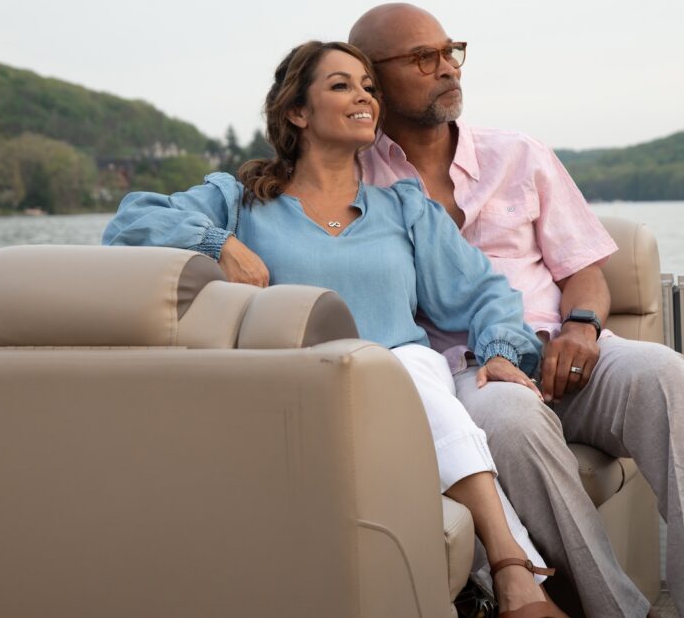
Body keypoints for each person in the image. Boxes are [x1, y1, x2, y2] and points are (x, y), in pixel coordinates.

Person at [103, 41, 571, 618]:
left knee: (401, 373)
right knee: (395, 380)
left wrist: (500, 351)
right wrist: (217, 242)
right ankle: (520, 581)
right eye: (342, 86)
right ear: (297, 112)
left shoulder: (404, 208)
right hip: (295, 388)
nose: (364, 98)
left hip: (401, 378)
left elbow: (485, 293)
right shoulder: (240, 203)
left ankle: (510, 571)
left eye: (369, 88)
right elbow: (130, 221)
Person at [338, 4, 684, 618]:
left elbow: (584, 272)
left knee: (668, 376)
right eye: (424, 58)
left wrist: (583, 326)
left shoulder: (519, 155)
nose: (448, 68)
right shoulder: (351, 179)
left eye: (452, 51)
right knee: (509, 417)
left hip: (561, 351)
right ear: (372, 77)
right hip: (466, 373)